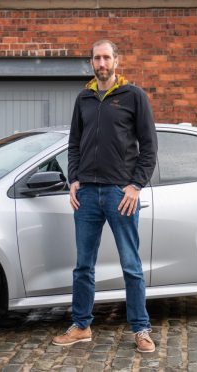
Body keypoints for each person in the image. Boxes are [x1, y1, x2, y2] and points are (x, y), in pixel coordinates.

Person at [52, 40, 158, 353]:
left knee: (131, 265)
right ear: (91, 62)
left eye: (106, 58)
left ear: (116, 61)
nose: (101, 63)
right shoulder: (83, 98)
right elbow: (73, 144)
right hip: (86, 196)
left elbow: (149, 148)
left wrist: (135, 185)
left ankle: (141, 328)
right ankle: (81, 325)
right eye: (97, 58)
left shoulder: (134, 96)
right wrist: (74, 179)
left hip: (119, 194)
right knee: (83, 265)